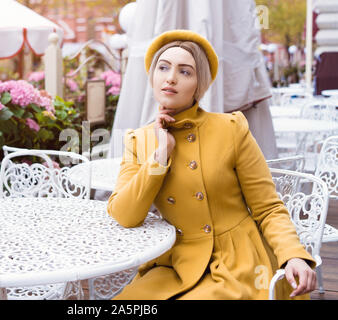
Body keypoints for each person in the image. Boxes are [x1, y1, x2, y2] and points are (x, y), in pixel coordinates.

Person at [107, 30, 317, 300]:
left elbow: (268, 207)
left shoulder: (231, 128)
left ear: (199, 84)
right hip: (174, 264)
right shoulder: (139, 141)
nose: (171, 77)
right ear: (153, 76)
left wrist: (292, 256)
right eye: (163, 67)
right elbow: (125, 215)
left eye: (185, 72)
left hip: (237, 261)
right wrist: (161, 156)